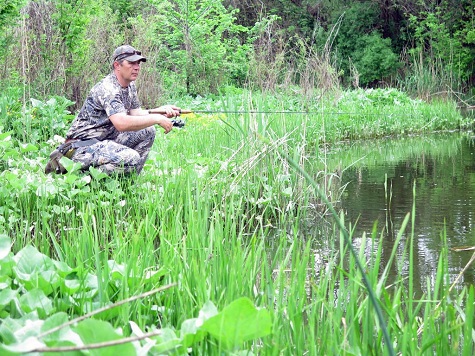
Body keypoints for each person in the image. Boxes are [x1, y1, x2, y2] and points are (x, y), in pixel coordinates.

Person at [45, 44, 181, 175]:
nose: (137, 67)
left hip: (105, 141)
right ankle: (83, 180)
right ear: (117, 65)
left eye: (138, 63)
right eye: (131, 63)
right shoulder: (108, 88)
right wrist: (156, 119)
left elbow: (136, 113)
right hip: (82, 146)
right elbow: (121, 123)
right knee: (130, 157)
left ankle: (128, 183)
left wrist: (160, 111)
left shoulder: (129, 86)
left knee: (148, 131)